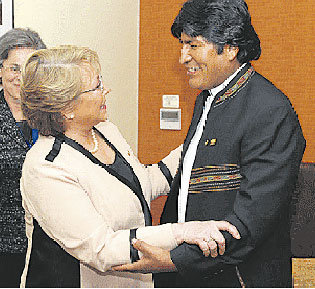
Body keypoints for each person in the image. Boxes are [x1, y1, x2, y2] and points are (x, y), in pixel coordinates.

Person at [112, 0, 306, 287]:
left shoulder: (270, 110)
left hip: (239, 278)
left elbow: (253, 219)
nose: (182, 57)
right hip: (195, 271)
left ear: (229, 48)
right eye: (182, 45)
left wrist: (176, 260)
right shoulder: (208, 98)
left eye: (193, 45)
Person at [19, 45, 241, 288]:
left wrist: (201, 140)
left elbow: (143, 183)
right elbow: (101, 248)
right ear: (66, 108)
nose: (106, 90)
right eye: (96, 87)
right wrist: (181, 233)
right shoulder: (46, 166)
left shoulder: (105, 131)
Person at [0, 28, 46, 287]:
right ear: (1, 70)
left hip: (49, 242)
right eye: (13, 68)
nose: (20, 77)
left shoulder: (53, 115)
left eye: (28, 68)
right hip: (5, 247)